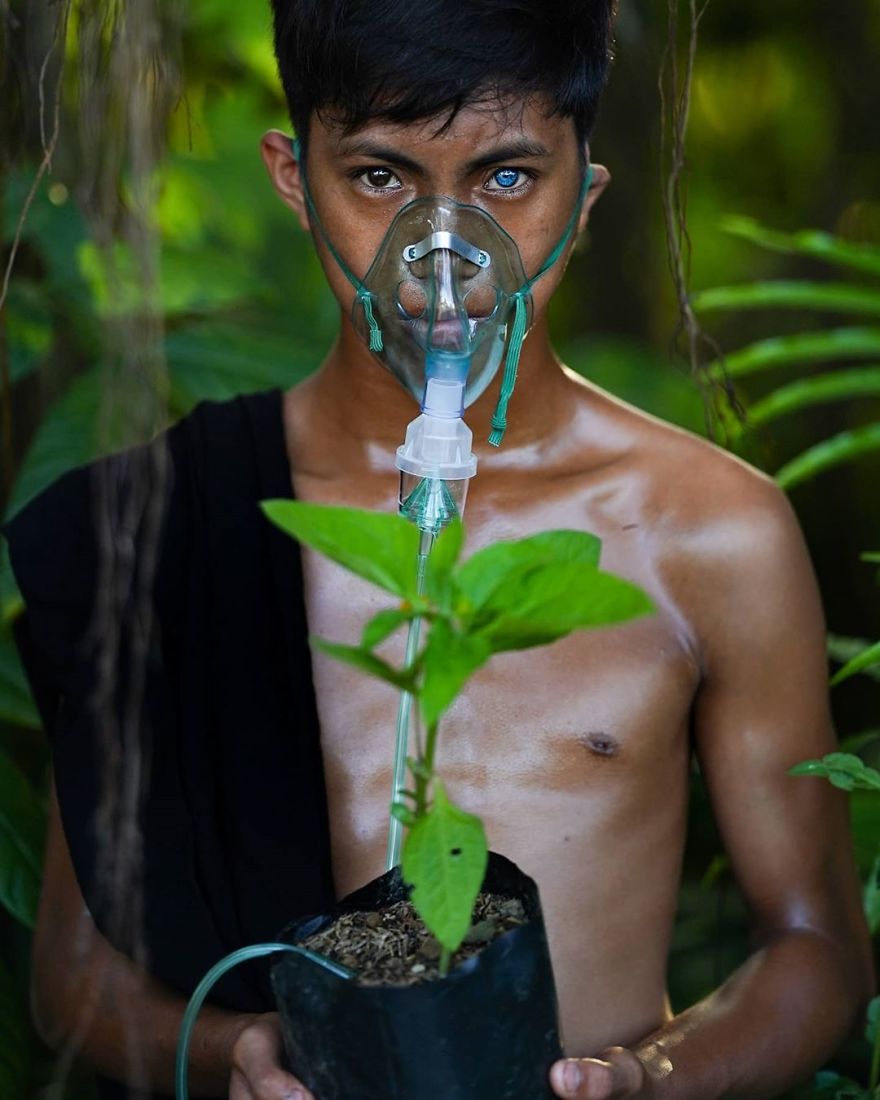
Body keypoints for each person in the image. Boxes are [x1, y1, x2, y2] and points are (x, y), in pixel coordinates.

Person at [4, 1, 872, 1098]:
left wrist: (651, 1078)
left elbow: (816, 944)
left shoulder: (706, 529)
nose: (445, 250)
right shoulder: (165, 526)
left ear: (584, 191)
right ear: (294, 176)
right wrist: (234, 1051)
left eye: (507, 177)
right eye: (380, 176)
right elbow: (73, 970)